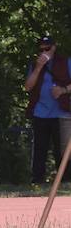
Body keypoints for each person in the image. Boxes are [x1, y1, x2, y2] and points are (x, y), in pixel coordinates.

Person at [24, 34, 71, 184]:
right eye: (41, 49)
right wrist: (38, 68)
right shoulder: (34, 65)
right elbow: (28, 87)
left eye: (47, 48)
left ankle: (65, 182)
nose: (44, 51)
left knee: (62, 152)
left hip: (61, 114)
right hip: (40, 113)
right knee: (39, 150)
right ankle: (37, 182)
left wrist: (63, 90)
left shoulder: (66, 62)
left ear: (54, 48)